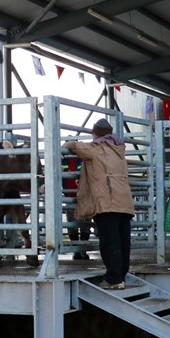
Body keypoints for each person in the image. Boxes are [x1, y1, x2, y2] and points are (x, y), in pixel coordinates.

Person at [63, 118, 135, 290]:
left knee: (110, 241)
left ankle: (113, 279)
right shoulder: (119, 150)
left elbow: (73, 145)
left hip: (106, 201)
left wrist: (67, 143)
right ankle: (121, 276)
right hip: (124, 201)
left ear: (96, 134)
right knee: (123, 241)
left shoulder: (96, 149)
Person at [61, 154, 91, 260]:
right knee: (72, 225)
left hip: (85, 196)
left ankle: (83, 250)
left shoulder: (83, 158)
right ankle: (76, 251)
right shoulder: (63, 160)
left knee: (85, 224)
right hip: (69, 197)